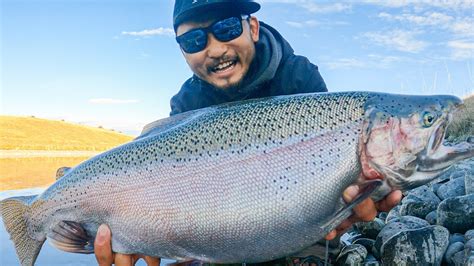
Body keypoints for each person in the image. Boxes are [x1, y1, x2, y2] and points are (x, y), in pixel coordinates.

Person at [94, 1, 402, 265]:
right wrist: (143, 230)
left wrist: (349, 200)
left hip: (299, 218)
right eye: (194, 41)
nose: (214, 49)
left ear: (252, 27)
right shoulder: (186, 104)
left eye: (227, 28)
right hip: (217, 226)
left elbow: (338, 186)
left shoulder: (298, 77)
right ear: (182, 52)